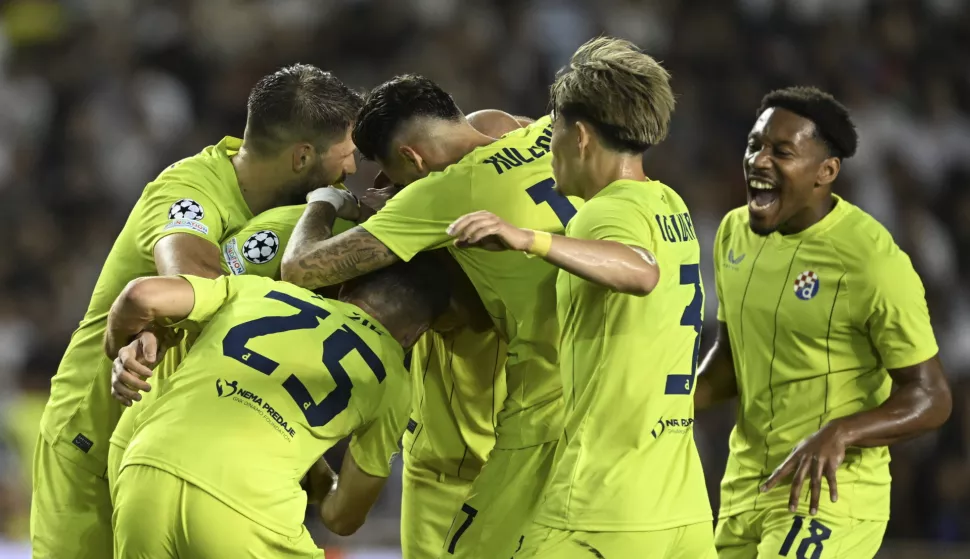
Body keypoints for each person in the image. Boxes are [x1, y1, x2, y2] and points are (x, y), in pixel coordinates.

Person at [31, 63, 361, 558]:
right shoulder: (189, 188)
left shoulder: (291, 217)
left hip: (178, 452)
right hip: (94, 439)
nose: (352, 170)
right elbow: (190, 279)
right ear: (302, 157)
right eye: (347, 154)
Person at [280, 78, 583, 559]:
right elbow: (494, 125)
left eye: (393, 174)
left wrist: (328, 199)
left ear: (413, 159)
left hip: (504, 430)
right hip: (585, 397)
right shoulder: (542, 133)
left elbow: (301, 268)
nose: (394, 187)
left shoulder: (441, 194)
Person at [448, 37, 716, 559]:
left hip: (601, 509)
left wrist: (531, 238)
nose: (549, 146)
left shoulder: (604, 213)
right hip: (680, 505)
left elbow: (640, 271)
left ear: (582, 136)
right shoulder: (670, 204)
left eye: (554, 131)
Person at [693, 86, 952, 558]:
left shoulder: (870, 261)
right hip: (744, 490)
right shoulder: (733, 234)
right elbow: (733, 361)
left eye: (782, 151)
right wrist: (665, 407)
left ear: (825, 172)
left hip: (829, 496)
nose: (759, 160)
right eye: (755, 145)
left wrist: (842, 431)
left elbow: (932, 396)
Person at [107, 256, 448, 558]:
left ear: (346, 288)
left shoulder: (258, 290)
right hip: (247, 513)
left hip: (145, 475)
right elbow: (342, 518)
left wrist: (119, 350)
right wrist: (322, 480)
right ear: (413, 336)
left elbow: (142, 296)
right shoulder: (393, 380)